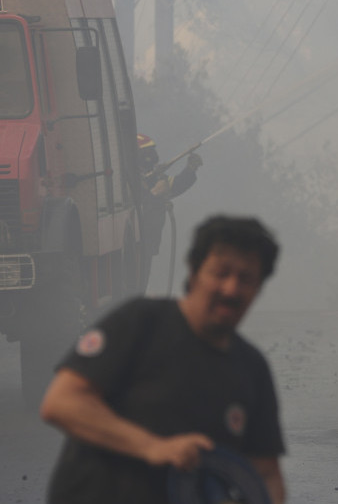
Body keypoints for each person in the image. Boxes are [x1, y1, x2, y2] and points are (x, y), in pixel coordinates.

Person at [41, 215, 286, 504]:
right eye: (221, 272)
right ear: (194, 273)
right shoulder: (140, 322)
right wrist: (153, 447)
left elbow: (266, 473)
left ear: (258, 289)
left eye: (246, 279)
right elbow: (61, 403)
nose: (231, 288)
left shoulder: (252, 368)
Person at [137, 133, 202, 289]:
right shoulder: (126, 179)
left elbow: (175, 186)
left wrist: (190, 170)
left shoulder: (151, 176)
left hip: (147, 244)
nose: (152, 157)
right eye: (148, 152)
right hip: (134, 243)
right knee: (131, 288)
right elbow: (134, 206)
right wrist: (153, 195)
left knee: (139, 288)